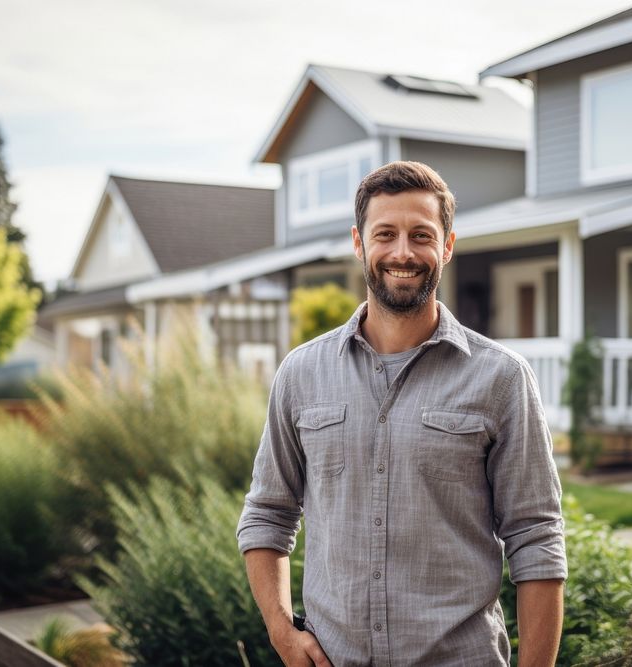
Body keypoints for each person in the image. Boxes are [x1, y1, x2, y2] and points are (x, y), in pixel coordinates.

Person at [237, 161, 566, 667]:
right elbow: (266, 515)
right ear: (358, 242)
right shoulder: (300, 374)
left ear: (448, 246)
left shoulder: (502, 378)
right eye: (385, 234)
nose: (403, 253)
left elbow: (536, 537)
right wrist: (284, 633)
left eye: (422, 235)